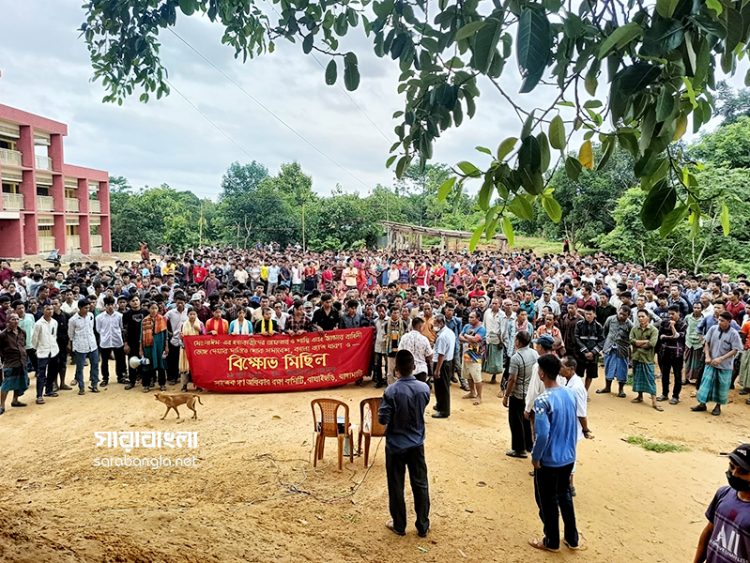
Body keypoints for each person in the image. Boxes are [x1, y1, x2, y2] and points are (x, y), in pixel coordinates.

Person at [529, 354, 581, 553]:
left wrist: (535, 457)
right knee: (565, 496)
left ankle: (551, 540)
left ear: (542, 373)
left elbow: (542, 434)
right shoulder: (569, 393)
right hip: (568, 456)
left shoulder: (542, 400)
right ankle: (572, 538)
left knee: (548, 501)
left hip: (549, 459)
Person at [378, 349, 431, 538]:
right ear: (414, 367)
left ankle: (399, 525)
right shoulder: (424, 388)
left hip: (395, 446)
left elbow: (383, 419)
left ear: (396, 369)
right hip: (417, 443)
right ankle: (423, 525)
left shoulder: (391, 391)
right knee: (420, 484)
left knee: (396, 485)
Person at [693, 443, 750, 562]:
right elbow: (709, 531)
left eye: (743, 471)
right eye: (732, 466)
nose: (734, 474)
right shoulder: (723, 493)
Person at [691, 311, 743, 416]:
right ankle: (702, 404)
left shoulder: (734, 334)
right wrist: (707, 356)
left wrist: (721, 359)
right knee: (706, 384)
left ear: (729, 321)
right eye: (719, 320)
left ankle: (718, 407)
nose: (719, 322)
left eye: (722, 321)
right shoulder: (713, 329)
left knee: (722, 386)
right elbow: (706, 342)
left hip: (725, 366)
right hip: (710, 363)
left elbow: (735, 349)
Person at [560, 356, 593, 497]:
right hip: (566, 424)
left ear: (570, 369)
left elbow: (581, 412)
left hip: (572, 426)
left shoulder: (577, 387)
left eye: (562, 366)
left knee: (568, 454)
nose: (560, 369)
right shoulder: (568, 382)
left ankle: (570, 484)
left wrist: (586, 429)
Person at [503, 330, 537, 458]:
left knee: (516, 421)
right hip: (530, 393)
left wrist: (506, 395)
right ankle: (529, 444)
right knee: (526, 419)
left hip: (518, 393)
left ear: (518, 342)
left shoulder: (516, 357)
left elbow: (512, 379)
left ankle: (519, 449)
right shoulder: (535, 354)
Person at [630, 309, 662, 412]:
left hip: (647, 358)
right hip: (636, 357)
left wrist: (637, 343)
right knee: (638, 377)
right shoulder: (634, 329)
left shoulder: (654, 330)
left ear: (648, 317)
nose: (640, 318)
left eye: (643, 316)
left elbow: (651, 344)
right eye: (639, 316)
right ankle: (640, 396)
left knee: (650, 379)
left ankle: (654, 402)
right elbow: (631, 341)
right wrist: (644, 342)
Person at [598, 305, 632, 398]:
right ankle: (607, 387)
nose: (621, 316)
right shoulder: (610, 319)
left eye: (624, 315)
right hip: (609, 348)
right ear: (617, 311)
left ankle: (621, 390)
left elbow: (631, 338)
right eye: (620, 313)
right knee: (608, 367)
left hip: (622, 350)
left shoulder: (629, 324)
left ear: (628, 316)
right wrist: (605, 344)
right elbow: (605, 331)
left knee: (622, 370)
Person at [68, 299, 100, 395]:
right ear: (80, 308)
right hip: (80, 346)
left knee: (95, 365)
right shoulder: (73, 320)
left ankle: (94, 385)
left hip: (92, 344)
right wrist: (72, 345)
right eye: (85, 308)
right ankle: (81, 387)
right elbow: (71, 334)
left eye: (88, 308)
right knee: (80, 367)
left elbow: (92, 329)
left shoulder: (90, 316)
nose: (87, 310)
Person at [656, 304, 687, 404]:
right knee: (665, 374)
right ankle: (665, 394)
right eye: (669, 314)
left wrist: (672, 327)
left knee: (677, 375)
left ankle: (675, 396)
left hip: (677, 354)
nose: (670, 316)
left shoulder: (683, 324)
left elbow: (677, 336)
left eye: (673, 314)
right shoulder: (664, 323)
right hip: (665, 352)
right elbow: (660, 336)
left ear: (678, 313)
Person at [0, 314, 30, 414]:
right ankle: (2, 405)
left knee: (20, 381)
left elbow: (23, 345)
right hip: (10, 362)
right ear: (8, 321)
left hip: (22, 360)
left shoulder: (22, 332)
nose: (16, 321)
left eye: (17, 319)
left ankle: (15, 400)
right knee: (6, 384)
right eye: (13, 319)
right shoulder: (3, 334)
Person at [95, 296, 126, 386]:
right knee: (104, 362)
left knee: (120, 360)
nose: (110, 306)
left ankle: (120, 377)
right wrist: (105, 335)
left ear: (115, 305)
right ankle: (105, 378)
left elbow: (121, 327)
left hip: (117, 341)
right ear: (105, 306)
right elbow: (98, 329)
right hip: (105, 342)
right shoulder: (99, 317)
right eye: (108, 305)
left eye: (112, 304)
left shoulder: (120, 316)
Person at [31, 304, 59, 404]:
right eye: (48, 309)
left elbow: (54, 335)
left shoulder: (54, 322)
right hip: (42, 351)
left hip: (53, 350)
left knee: (53, 371)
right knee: (41, 374)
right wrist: (36, 349)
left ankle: (49, 390)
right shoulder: (38, 324)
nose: (50, 311)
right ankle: (39, 395)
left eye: (51, 309)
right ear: (44, 310)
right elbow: (34, 339)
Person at [573, 305, 604, 392]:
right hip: (581, 355)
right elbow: (576, 338)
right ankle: (577, 391)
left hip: (593, 356)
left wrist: (593, 352)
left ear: (594, 314)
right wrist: (585, 352)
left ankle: (585, 392)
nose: (588, 316)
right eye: (586, 314)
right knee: (578, 374)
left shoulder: (599, 326)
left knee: (590, 375)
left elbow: (602, 341)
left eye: (590, 314)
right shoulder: (579, 324)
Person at [459, 310, 486, 405]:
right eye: (469, 317)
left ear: (478, 318)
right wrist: (469, 339)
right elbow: (459, 337)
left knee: (477, 377)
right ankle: (472, 392)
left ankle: (479, 396)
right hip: (466, 354)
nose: (469, 319)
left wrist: (466, 336)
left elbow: (476, 339)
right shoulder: (467, 326)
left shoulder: (482, 329)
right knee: (468, 375)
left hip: (476, 356)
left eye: (472, 317)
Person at [140, 302, 168, 392]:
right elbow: (141, 336)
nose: (154, 310)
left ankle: (162, 384)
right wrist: (140, 349)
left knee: (161, 364)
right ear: (148, 309)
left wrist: (166, 346)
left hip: (160, 345)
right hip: (148, 346)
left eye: (155, 308)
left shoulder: (162, 319)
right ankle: (146, 385)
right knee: (147, 365)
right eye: (152, 308)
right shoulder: (144, 320)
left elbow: (166, 335)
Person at [431, 314, 454, 419]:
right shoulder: (449, 332)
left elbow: (441, 354)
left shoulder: (443, 336)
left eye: (435, 323)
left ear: (441, 323)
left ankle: (444, 411)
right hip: (448, 362)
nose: (433, 325)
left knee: (442, 388)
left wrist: (437, 370)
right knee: (440, 387)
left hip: (442, 363)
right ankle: (440, 404)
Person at [398, 317, 433, 384]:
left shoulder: (404, 337)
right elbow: (430, 355)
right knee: (419, 391)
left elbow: (400, 352)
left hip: (407, 369)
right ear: (420, 326)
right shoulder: (424, 339)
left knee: (408, 391)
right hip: (421, 370)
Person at [179, 308, 204, 392]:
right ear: (187, 315)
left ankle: (199, 385)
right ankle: (184, 385)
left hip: (197, 350)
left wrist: (199, 330)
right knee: (185, 368)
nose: (192, 316)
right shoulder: (184, 324)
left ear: (196, 315)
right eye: (190, 314)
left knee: (197, 368)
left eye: (194, 314)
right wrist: (181, 337)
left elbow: (204, 336)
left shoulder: (200, 324)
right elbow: (181, 338)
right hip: (185, 349)